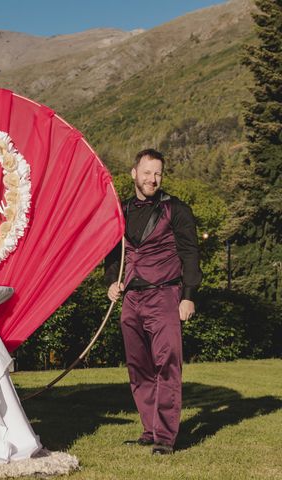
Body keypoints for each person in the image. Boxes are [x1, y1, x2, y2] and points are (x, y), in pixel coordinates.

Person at [105, 148, 201, 455]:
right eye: (147, 173)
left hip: (165, 295)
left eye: (158, 173)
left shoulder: (177, 209)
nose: (153, 179)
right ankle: (150, 428)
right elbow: (113, 252)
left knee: (167, 365)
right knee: (139, 367)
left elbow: (190, 254)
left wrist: (187, 297)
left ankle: (165, 437)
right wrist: (112, 281)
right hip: (131, 298)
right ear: (134, 173)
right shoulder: (120, 210)